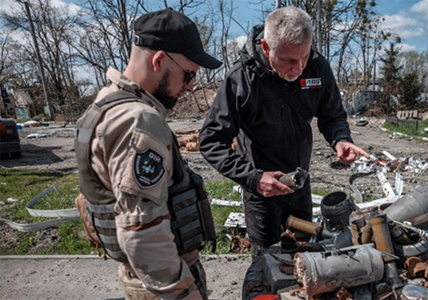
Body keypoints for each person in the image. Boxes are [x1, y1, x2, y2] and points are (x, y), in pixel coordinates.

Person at [74, 9, 221, 300]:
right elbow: (143, 232)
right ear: (159, 60)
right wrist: (183, 294)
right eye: (188, 74)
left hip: (145, 279)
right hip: (163, 286)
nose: (191, 86)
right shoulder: (138, 120)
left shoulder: (105, 105)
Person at [199, 6, 369, 256]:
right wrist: (253, 179)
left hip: (299, 186)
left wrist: (340, 139)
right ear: (267, 48)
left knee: (305, 258)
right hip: (261, 193)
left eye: (304, 57)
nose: (299, 68)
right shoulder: (242, 78)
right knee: (268, 264)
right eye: (289, 60)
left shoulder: (317, 67)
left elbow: (332, 115)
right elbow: (210, 141)